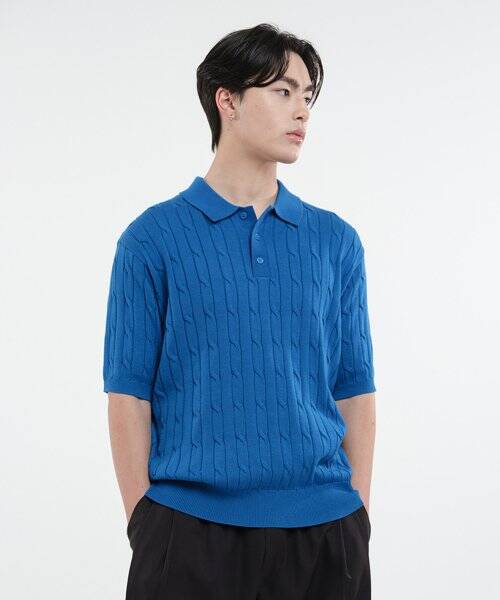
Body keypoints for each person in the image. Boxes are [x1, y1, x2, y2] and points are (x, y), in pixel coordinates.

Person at [103, 22, 376, 600]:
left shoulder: (336, 242)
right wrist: (145, 524)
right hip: (189, 531)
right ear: (226, 100)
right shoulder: (151, 239)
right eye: (282, 91)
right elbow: (128, 393)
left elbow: (354, 389)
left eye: (307, 95)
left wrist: (358, 515)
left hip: (324, 533)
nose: (301, 111)